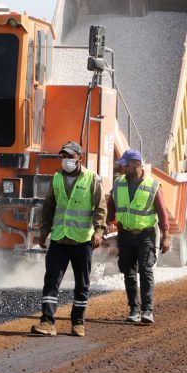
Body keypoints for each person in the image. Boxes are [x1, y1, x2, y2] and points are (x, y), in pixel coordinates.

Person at [31, 141, 107, 337]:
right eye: (63, 156)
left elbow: (100, 208)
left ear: (79, 158)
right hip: (59, 238)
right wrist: (44, 231)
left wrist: (99, 232)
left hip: (82, 240)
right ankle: (47, 322)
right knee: (51, 281)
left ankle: (78, 323)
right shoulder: (57, 178)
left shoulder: (91, 178)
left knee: (82, 283)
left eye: (70, 156)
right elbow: (49, 206)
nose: (66, 160)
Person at [106, 149, 170, 324]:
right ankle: (134, 310)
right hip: (125, 234)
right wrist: (105, 225)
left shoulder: (153, 186)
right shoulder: (118, 183)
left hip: (145, 235)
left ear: (137, 164)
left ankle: (147, 310)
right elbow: (111, 206)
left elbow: (162, 213)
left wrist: (166, 236)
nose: (123, 168)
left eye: (126, 165)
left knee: (146, 269)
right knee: (129, 272)